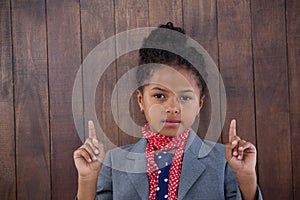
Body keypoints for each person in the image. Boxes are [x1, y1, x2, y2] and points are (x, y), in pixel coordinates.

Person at [73, 22, 263, 200]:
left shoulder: (224, 161)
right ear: (141, 100)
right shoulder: (114, 162)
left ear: (200, 104)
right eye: (159, 96)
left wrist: (246, 177)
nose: (172, 108)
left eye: (185, 97)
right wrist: (87, 179)